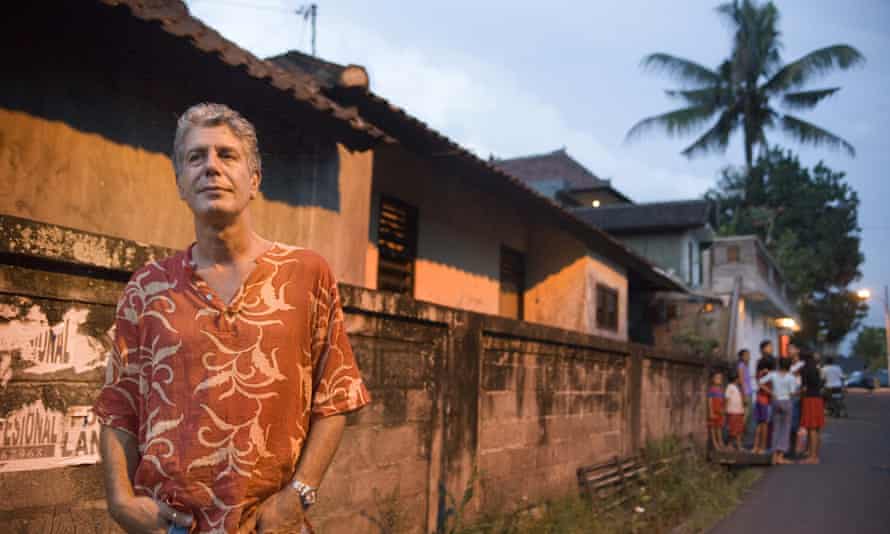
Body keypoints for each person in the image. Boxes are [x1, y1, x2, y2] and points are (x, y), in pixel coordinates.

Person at [93, 103, 371, 534]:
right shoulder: (147, 287)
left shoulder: (305, 275)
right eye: (195, 157)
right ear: (181, 184)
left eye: (227, 155)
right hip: (170, 526)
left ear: (254, 180)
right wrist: (120, 502)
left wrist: (299, 495)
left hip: (269, 525)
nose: (211, 167)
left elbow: (335, 396)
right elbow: (119, 405)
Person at [759, 358, 798, 464]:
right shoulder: (791, 377)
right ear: (789, 366)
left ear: (779, 365)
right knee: (785, 429)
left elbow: (760, 382)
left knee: (776, 429)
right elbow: (792, 392)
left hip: (775, 401)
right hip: (786, 402)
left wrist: (771, 392)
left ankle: (774, 455)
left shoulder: (773, 374)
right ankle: (780, 456)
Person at [799, 352, 825, 464]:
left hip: (810, 399)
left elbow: (804, 388)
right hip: (818, 398)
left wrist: (798, 395)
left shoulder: (804, 369)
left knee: (811, 428)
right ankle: (815, 455)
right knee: (817, 428)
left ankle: (812, 457)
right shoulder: (817, 368)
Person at [787, 344, 805, 457]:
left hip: (797, 393)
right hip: (788, 392)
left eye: (791, 349)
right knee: (790, 422)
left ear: (798, 350)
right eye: (788, 349)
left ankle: (797, 449)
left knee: (796, 422)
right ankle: (791, 448)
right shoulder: (788, 364)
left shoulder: (802, 364)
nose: (789, 351)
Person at [724, 371, 745, 450]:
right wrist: (725, 409)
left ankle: (739, 445)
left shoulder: (737, 388)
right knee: (732, 430)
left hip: (738, 411)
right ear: (736, 379)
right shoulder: (729, 387)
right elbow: (727, 398)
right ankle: (730, 445)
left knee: (739, 430)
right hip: (732, 412)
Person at [707, 371, 726, 451]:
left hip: (720, 412)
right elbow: (710, 401)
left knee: (719, 428)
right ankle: (715, 444)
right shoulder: (711, 389)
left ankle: (721, 443)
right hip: (714, 411)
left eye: (720, 378)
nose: (719, 380)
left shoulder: (721, 390)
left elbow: (723, 401)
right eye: (717, 378)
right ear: (712, 379)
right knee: (713, 427)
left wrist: (723, 411)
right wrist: (711, 411)